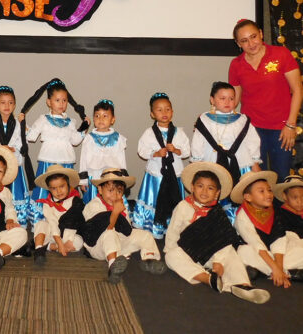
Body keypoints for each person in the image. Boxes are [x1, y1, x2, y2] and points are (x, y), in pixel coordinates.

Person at [164, 162, 270, 304]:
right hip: (189, 252)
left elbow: (224, 240)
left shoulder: (217, 212)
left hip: (212, 254)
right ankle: (208, 279)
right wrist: (171, 250)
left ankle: (242, 285)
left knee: (230, 252)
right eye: (200, 186)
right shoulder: (183, 206)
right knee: (171, 256)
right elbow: (173, 231)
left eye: (210, 188)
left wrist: (218, 262)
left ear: (217, 193)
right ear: (192, 187)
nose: (204, 191)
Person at [229, 19, 303, 181]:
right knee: (256, 181)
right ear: (238, 43)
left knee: (282, 178)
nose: (251, 44)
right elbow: (233, 101)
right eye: (244, 40)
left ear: (261, 34)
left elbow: (298, 90)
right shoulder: (236, 64)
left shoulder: (281, 54)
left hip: (282, 129)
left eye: (253, 36)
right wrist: (215, 118)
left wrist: (291, 124)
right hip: (251, 130)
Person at [20, 78, 89, 223]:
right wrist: (22, 122)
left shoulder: (71, 122)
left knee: (65, 192)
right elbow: (31, 136)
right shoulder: (43, 119)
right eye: (57, 100)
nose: (61, 104)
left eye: (64, 100)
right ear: (49, 102)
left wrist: (84, 127)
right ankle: (41, 220)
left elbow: (75, 140)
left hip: (66, 163)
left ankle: (65, 220)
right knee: (45, 190)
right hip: (48, 162)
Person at [81, 168, 166, 284]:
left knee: (145, 235)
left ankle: (149, 259)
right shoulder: (93, 205)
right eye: (110, 190)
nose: (114, 196)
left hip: (119, 241)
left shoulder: (121, 205)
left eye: (119, 192)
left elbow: (127, 230)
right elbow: (100, 230)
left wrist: (119, 212)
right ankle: (113, 266)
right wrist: (115, 213)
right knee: (109, 234)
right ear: (100, 189)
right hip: (98, 246)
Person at [191, 82, 261, 221]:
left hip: (240, 165)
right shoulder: (204, 120)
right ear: (212, 100)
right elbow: (198, 143)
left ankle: (240, 224)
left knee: (241, 196)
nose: (227, 102)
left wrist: (255, 162)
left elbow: (252, 141)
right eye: (222, 98)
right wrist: (197, 164)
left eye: (231, 98)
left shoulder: (242, 120)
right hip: (214, 166)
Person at [133, 92, 190, 238]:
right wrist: (156, 153)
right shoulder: (149, 133)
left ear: (172, 111)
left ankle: (173, 228)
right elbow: (141, 151)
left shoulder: (179, 132)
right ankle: (154, 228)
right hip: (156, 175)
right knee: (155, 201)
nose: (164, 112)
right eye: (159, 110)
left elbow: (187, 151)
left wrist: (176, 150)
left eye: (167, 109)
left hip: (174, 174)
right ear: (152, 114)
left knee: (173, 200)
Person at [232, 171, 302, 288]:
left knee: (293, 239)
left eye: (269, 190)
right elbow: (256, 244)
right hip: (259, 252)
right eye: (262, 191)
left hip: (275, 254)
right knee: (243, 252)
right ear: (248, 197)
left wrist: (279, 267)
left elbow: (278, 240)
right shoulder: (242, 217)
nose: (268, 194)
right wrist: (276, 268)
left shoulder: (274, 211)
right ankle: (287, 272)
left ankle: (272, 272)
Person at [0, 85, 30, 226]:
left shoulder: (18, 124)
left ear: (14, 105)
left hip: (13, 166)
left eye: (10, 102)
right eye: (2, 102)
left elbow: (23, 143)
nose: (7, 106)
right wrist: (1, 148)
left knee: (14, 195)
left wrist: (12, 149)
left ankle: (16, 221)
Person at [33, 164, 84, 266]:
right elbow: (52, 223)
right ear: (49, 189)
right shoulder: (47, 203)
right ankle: (39, 250)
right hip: (53, 234)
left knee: (79, 242)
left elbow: (75, 222)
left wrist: (67, 240)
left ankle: (50, 247)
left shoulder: (75, 200)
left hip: (68, 235)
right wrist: (59, 243)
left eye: (62, 186)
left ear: (68, 184)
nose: (59, 191)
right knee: (41, 224)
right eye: (54, 188)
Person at [79, 99, 127, 204]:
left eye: (105, 116)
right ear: (93, 118)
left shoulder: (118, 138)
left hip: (113, 177)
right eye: (97, 116)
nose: (100, 119)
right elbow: (83, 160)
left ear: (113, 119)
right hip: (95, 177)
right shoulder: (89, 138)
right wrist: (83, 180)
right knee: (95, 204)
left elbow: (121, 159)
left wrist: (123, 178)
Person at [274, 174, 303, 281]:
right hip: (290, 248)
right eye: (295, 197)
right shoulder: (280, 214)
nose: (300, 201)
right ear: (285, 197)